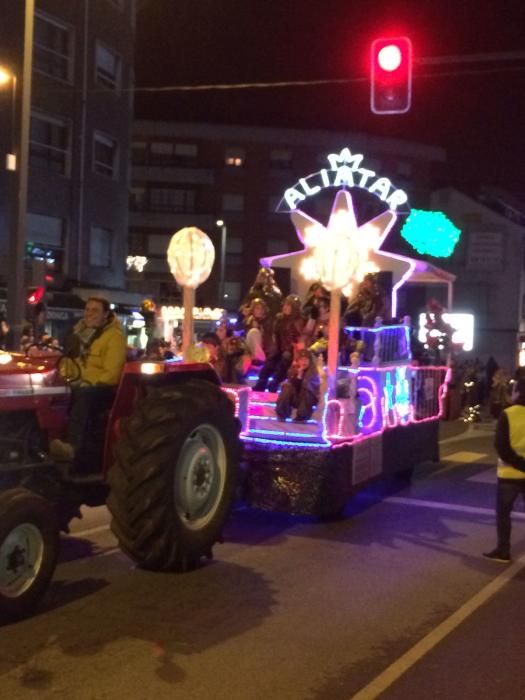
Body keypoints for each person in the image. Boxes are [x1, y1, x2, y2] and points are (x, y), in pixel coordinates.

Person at [50, 296, 127, 474]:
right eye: (87, 309)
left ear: (105, 315)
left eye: (95, 310)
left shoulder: (113, 337)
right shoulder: (77, 334)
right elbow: (68, 362)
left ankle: (72, 449)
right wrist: (63, 379)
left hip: (102, 388)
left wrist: (89, 384)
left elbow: (112, 372)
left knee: (83, 396)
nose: (89, 314)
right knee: (56, 395)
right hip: (77, 383)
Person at [483, 377, 525, 563]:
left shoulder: (508, 414)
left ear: (519, 392)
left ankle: (503, 551)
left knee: (503, 514)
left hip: (509, 474)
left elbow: (501, 446)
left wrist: (519, 464)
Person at [276, 348, 320, 421]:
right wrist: (299, 375)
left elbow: (308, 384)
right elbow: (293, 383)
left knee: (306, 389)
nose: (304, 362)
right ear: (298, 361)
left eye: (306, 359)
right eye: (301, 359)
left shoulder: (313, 371)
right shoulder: (293, 369)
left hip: (307, 399)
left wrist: (301, 376)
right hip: (295, 397)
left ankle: (302, 416)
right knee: (287, 387)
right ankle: (282, 413)